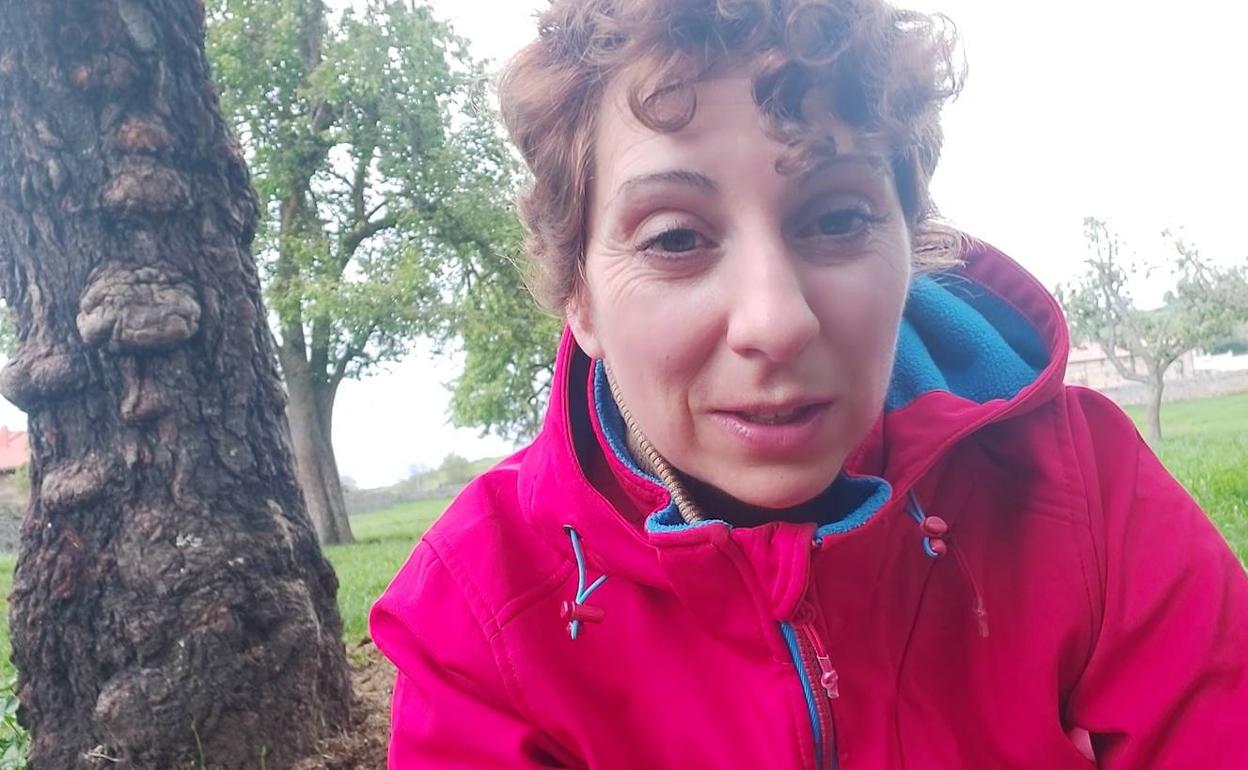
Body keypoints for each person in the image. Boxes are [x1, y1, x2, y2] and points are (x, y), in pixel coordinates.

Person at [370, 0, 1248, 767]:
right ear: (580, 297)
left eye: (836, 218)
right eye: (675, 238)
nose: (776, 320)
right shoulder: (477, 614)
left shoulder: (1086, 489)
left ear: (911, 240)